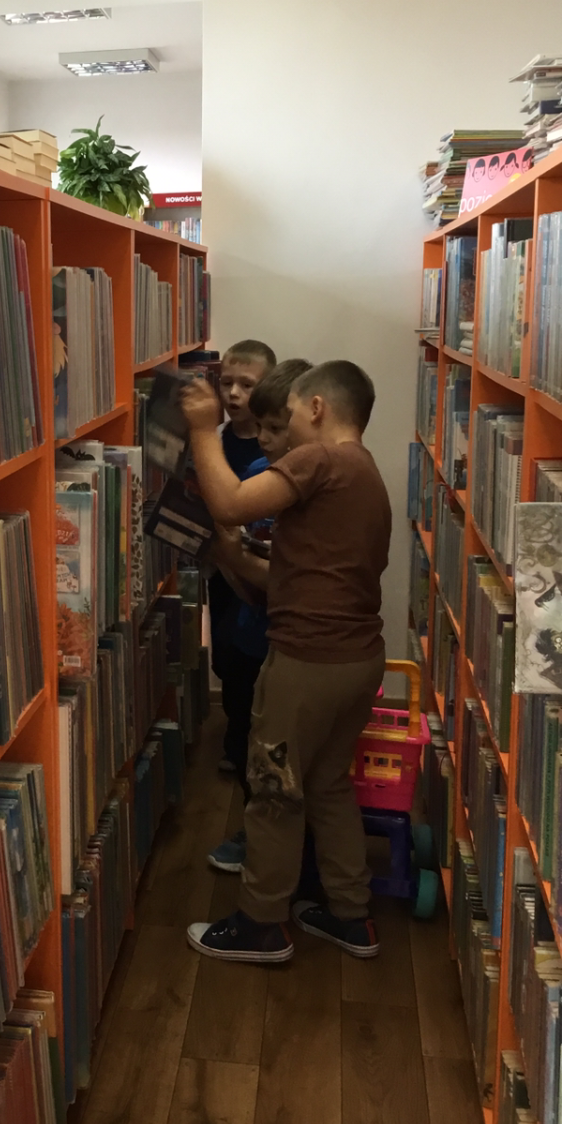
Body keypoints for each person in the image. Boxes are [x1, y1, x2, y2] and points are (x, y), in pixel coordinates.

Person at [177, 360, 393, 963]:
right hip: (357, 659)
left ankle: (261, 923)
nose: (287, 428)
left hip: (306, 663)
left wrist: (203, 427)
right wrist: (233, 558)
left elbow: (231, 502)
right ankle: (350, 914)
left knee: (274, 792)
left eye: (292, 414)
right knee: (327, 783)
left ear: (317, 408)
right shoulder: (365, 471)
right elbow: (300, 578)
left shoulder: (320, 459)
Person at [206, 357, 310, 875]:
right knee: (253, 737)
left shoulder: (309, 487)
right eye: (262, 428)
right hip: (253, 631)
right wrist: (226, 558)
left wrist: (229, 553)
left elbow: (284, 577)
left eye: (276, 428)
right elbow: (240, 568)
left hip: (292, 643)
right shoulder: (254, 478)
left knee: (283, 752)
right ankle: (259, 833)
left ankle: (275, 851)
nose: (265, 438)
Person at [206, 340, 275, 779]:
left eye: (246, 385)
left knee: (254, 656)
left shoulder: (275, 447)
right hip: (222, 571)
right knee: (226, 654)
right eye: (226, 382)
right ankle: (236, 735)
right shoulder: (214, 441)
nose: (233, 394)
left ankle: (249, 742)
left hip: (260, 571)